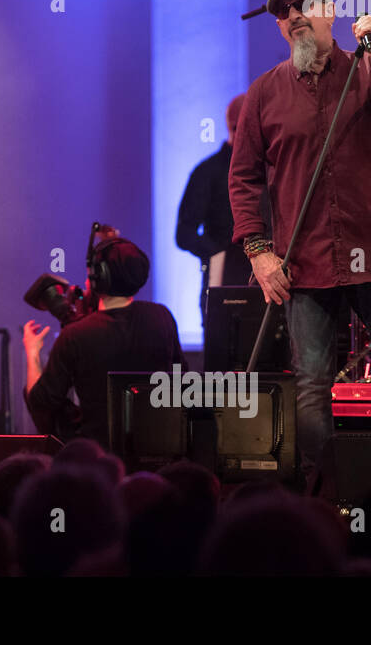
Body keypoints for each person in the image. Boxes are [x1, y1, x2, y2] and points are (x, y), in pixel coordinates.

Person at [229, 0, 371, 481]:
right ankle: (325, 497)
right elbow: (242, 179)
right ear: (280, 27)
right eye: (284, 12)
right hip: (307, 262)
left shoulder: (368, 71)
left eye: (304, 6)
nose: (294, 16)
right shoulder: (264, 93)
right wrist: (259, 252)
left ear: (330, 14)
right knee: (310, 389)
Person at [23, 236, 186, 446]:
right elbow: (181, 377)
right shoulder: (162, 317)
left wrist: (32, 352)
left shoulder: (75, 335)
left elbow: (40, 402)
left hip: (97, 455)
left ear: (97, 276)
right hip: (156, 447)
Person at [176, 93, 254, 321]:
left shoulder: (269, 167)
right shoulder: (207, 172)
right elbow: (184, 234)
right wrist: (219, 253)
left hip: (266, 281)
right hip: (224, 281)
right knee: (222, 347)